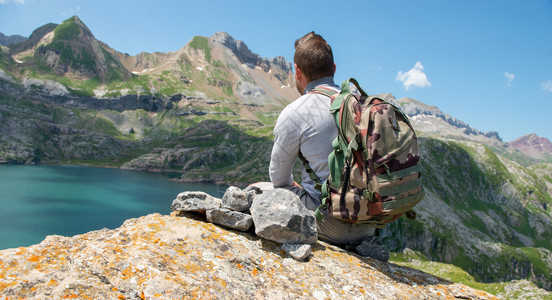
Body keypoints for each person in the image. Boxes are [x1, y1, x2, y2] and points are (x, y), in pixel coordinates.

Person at [268, 31, 389, 261]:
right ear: (333, 69)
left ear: (297, 71)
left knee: (260, 189)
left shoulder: (295, 111)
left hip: (329, 222)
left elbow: (278, 179)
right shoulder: (362, 105)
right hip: (369, 222)